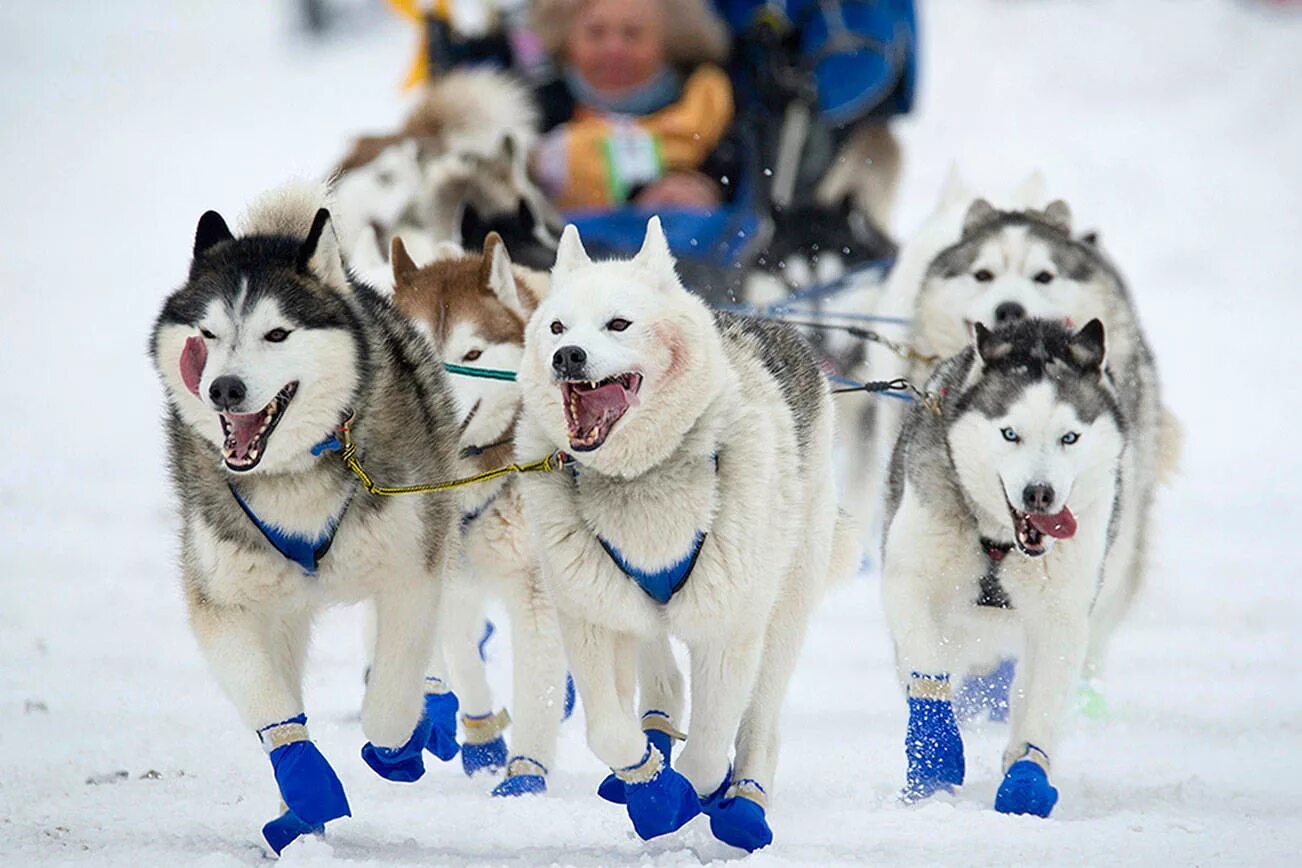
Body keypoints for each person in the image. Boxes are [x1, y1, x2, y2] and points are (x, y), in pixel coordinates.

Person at [528, 0, 742, 212]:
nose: (613, 50)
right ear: (567, 42)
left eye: (632, 34)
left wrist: (705, 189)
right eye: (595, 33)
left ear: (670, 43)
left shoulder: (712, 107)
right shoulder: (533, 113)